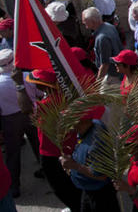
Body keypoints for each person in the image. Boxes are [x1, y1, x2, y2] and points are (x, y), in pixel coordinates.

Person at [29, 69, 81, 211]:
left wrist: (19, 86)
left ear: (43, 84)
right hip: (69, 149)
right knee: (70, 184)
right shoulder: (66, 98)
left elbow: (25, 109)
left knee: (61, 187)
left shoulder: (45, 105)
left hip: (51, 154)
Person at [59, 106, 120, 211]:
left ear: (81, 121)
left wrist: (74, 165)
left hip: (100, 196)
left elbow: (101, 176)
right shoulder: (93, 125)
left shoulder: (95, 144)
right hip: (87, 190)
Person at [0, 49, 39, 199]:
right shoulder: (27, 77)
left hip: (10, 120)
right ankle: (45, 170)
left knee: (13, 153)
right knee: (37, 144)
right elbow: (39, 94)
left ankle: (14, 186)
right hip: (31, 114)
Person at [81, 7, 123, 82]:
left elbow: (105, 64)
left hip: (111, 76)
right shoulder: (110, 26)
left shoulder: (102, 38)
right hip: (118, 71)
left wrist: (98, 82)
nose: (84, 24)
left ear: (93, 22)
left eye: (85, 22)